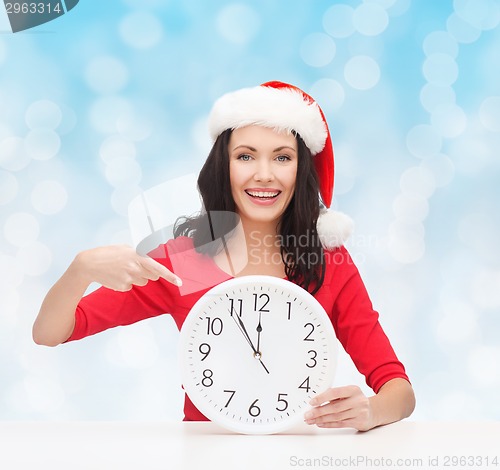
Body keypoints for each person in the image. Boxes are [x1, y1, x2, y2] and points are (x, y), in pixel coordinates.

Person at [33, 81, 415, 431]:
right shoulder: (186, 263)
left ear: (302, 170)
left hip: (298, 451)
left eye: (282, 158)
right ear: (224, 167)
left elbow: (398, 389)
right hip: (205, 456)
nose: (264, 174)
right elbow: (50, 333)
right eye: (246, 157)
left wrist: (371, 410)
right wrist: (80, 269)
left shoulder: (327, 262)